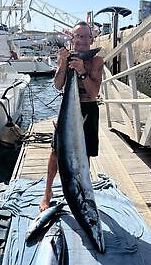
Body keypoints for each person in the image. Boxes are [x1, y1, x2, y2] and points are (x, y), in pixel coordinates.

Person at [39, 21, 104, 211]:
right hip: (68, 111)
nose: (82, 40)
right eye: (78, 36)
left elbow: (93, 93)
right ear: (72, 38)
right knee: (56, 152)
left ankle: (83, 190)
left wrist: (82, 71)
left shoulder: (96, 61)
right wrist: (63, 65)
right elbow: (58, 85)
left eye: (85, 36)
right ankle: (47, 193)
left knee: (85, 155)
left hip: (87, 109)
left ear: (92, 39)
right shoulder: (65, 58)